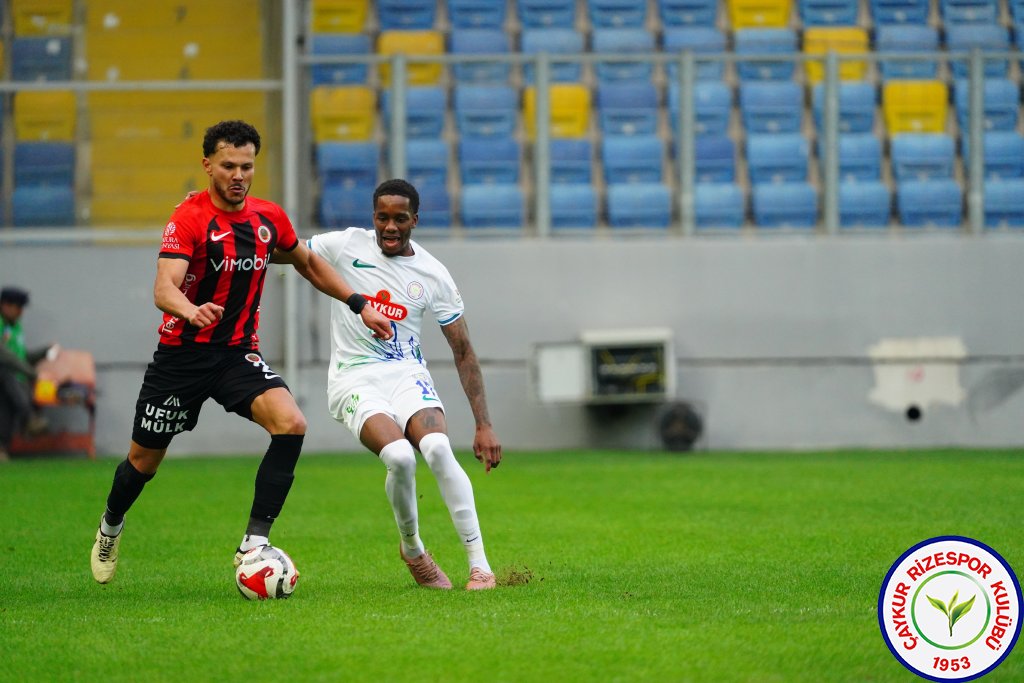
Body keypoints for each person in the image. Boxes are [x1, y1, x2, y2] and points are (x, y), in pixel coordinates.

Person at [89, 120, 392, 584]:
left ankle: (254, 543)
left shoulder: (269, 219)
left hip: (236, 355)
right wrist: (190, 310)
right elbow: (163, 287)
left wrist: (360, 304)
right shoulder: (188, 220)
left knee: (291, 423)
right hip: (181, 357)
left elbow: (309, 264)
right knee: (142, 463)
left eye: (247, 166)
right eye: (228, 165)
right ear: (207, 164)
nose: (238, 174)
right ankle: (111, 524)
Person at [307, 178, 502, 591]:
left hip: (407, 374)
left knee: (435, 446)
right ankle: (414, 551)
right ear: (373, 217)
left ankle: (480, 566)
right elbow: (287, 249)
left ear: (415, 219)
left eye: (399, 218)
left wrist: (483, 424)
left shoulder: (432, 273)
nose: (389, 227)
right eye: (382, 217)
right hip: (354, 376)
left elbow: (463, 351)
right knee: (400, 456)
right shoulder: (345, 246)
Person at [0, 286, 58, 461]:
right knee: (6, 372)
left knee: (6, 409)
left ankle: (2, 448)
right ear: (5, 305)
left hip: (10, 381)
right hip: (5, 374)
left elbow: (21, 356)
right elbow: (4, 355)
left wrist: (45, 352)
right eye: (18, 308)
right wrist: (34, 374)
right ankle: (30, 418)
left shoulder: (15, 328)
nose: (21, 313)